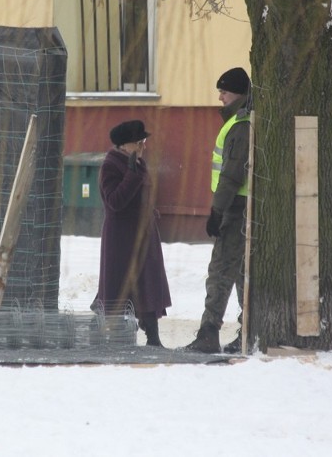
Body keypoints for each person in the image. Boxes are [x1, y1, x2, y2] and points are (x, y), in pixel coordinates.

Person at [185, 67, 251, 354]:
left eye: (224, 91)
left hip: (234, 207)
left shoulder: (240, 125)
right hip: (240, 206)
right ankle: (247, 332)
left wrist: (216, 211)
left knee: (222, 271)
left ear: (238, 93)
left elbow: (231, 175)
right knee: (242, 273)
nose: (220, 96)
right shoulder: (240, 120)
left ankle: (209, 333)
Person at [94, 120, 172, 347]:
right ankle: (118, 336)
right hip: (122, 238)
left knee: (148, 283)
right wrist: (130, 173)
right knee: (121, 285)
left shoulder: (136, 163)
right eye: (139, 142)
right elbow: (115, 202)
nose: (143, 146)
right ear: (124, 145)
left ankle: (153, 338)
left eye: (144, 141)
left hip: (143, 235)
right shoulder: (112, 165)